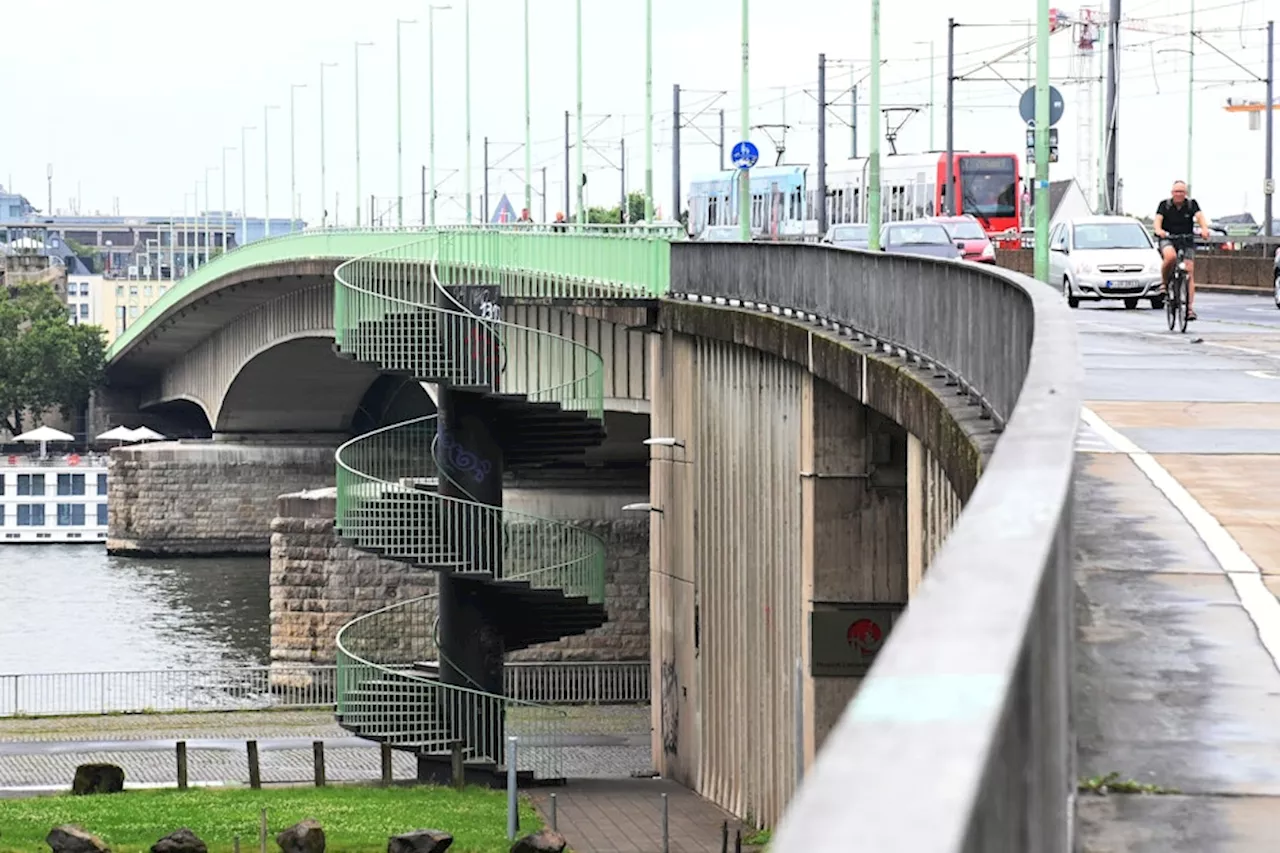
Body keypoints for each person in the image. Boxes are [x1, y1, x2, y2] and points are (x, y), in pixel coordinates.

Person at [1152, 180, 1211, 321]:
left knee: (1189, 271)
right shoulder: (1164, 205)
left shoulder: (1191, 204)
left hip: (1186, 239)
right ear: (1172, 193)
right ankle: (1164, 283)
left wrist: (1204, 229)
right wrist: (1159, 230)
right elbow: (1157, 221)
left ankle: (1189, 309)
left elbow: (1200, 217)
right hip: (1168, 237)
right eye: (1176, 192)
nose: (1179, 194)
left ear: (1186, 193)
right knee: (1170, 257)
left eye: (1182, 192)